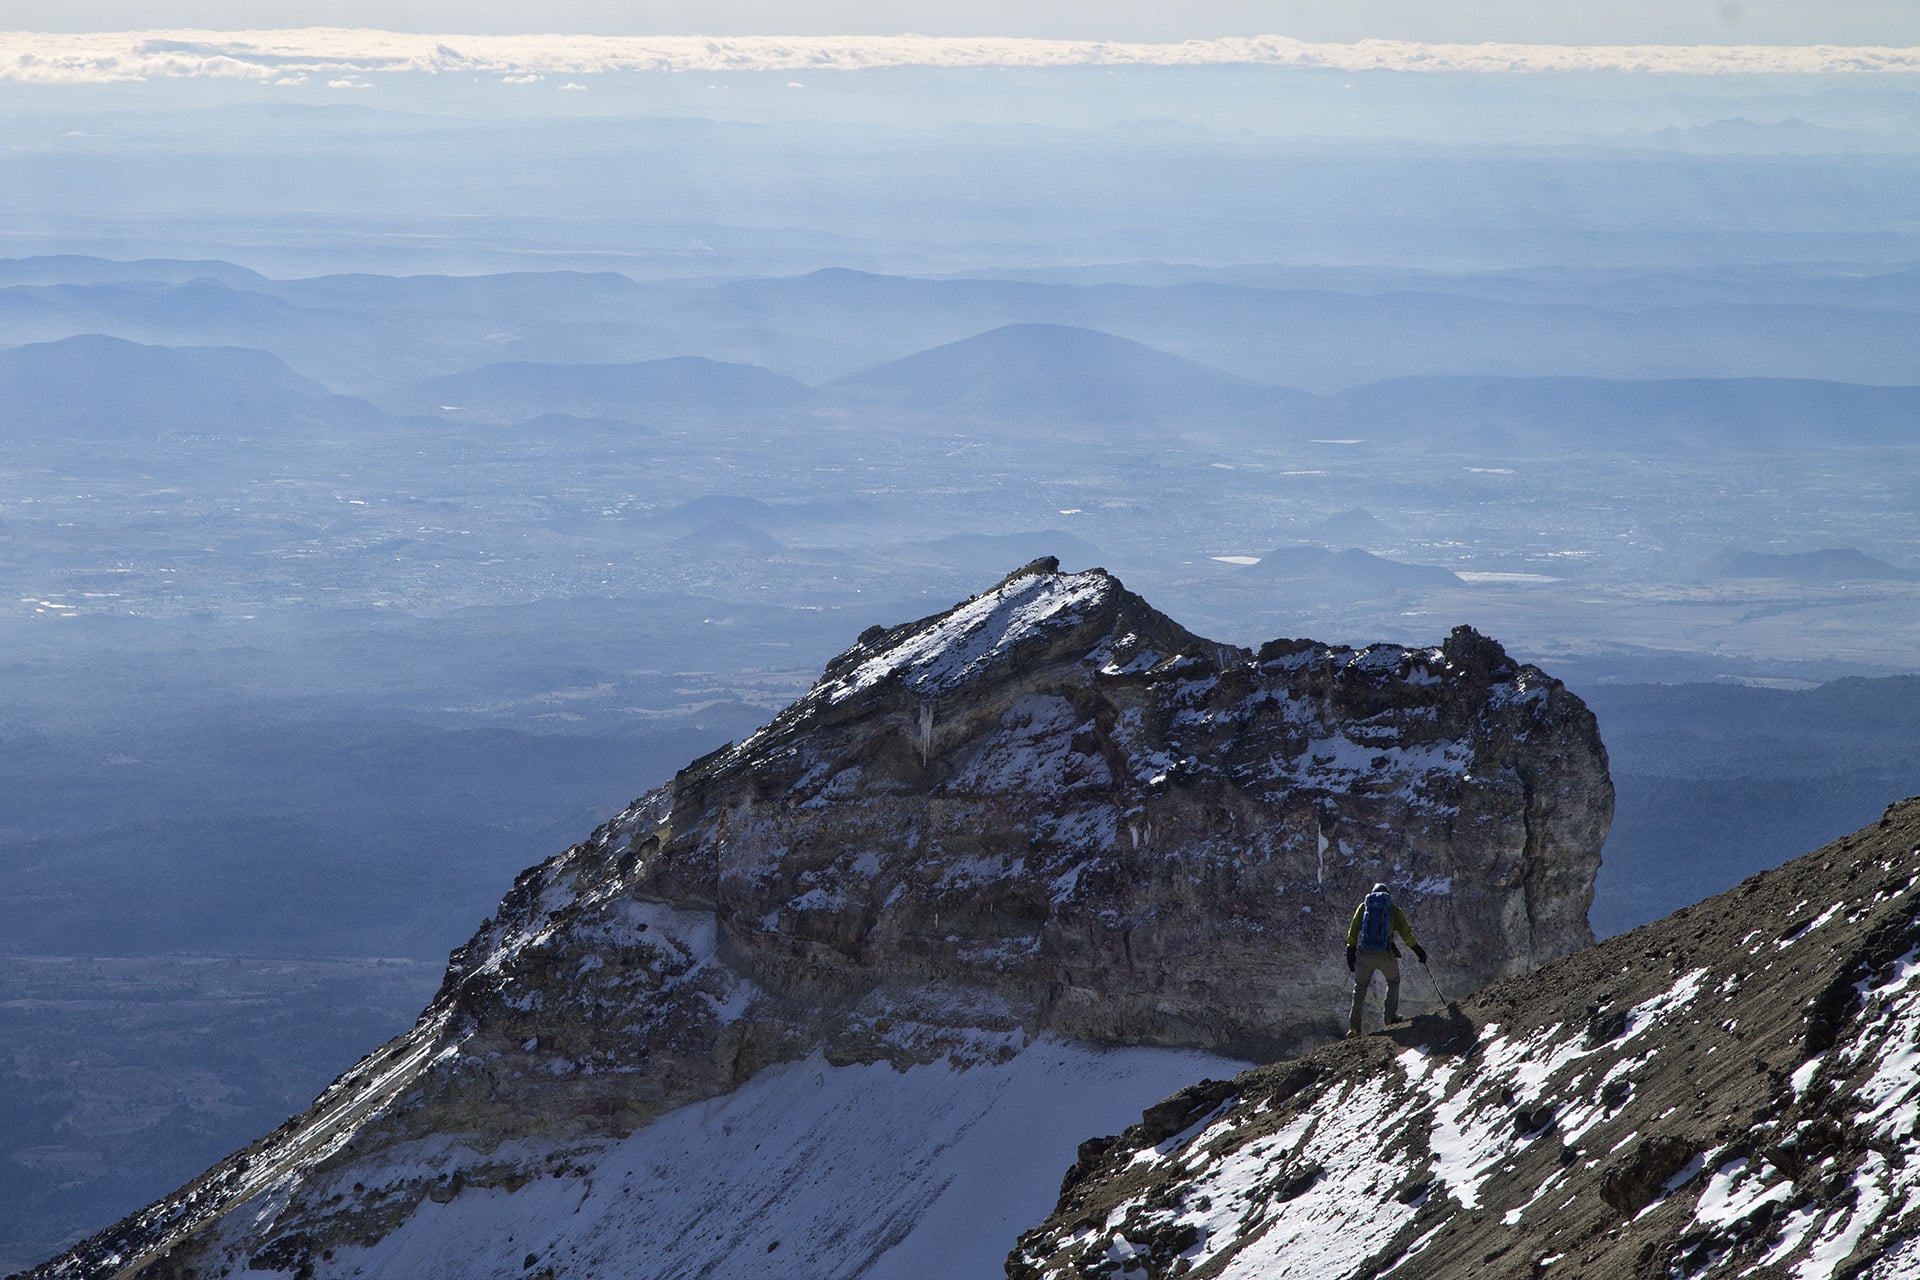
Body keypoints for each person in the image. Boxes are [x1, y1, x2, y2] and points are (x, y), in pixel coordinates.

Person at [1345, 882, 1427, 1037]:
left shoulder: (1364, 907)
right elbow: (1406, 934)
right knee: (1393, 981)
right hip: (1384, 954)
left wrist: (1350, 950)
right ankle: (1390, 1017)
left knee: (1360, 988)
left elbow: (1353, 930)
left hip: (1364, 954)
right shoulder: (1393, 910)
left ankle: (1354, 1028)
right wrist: (1418, 950)